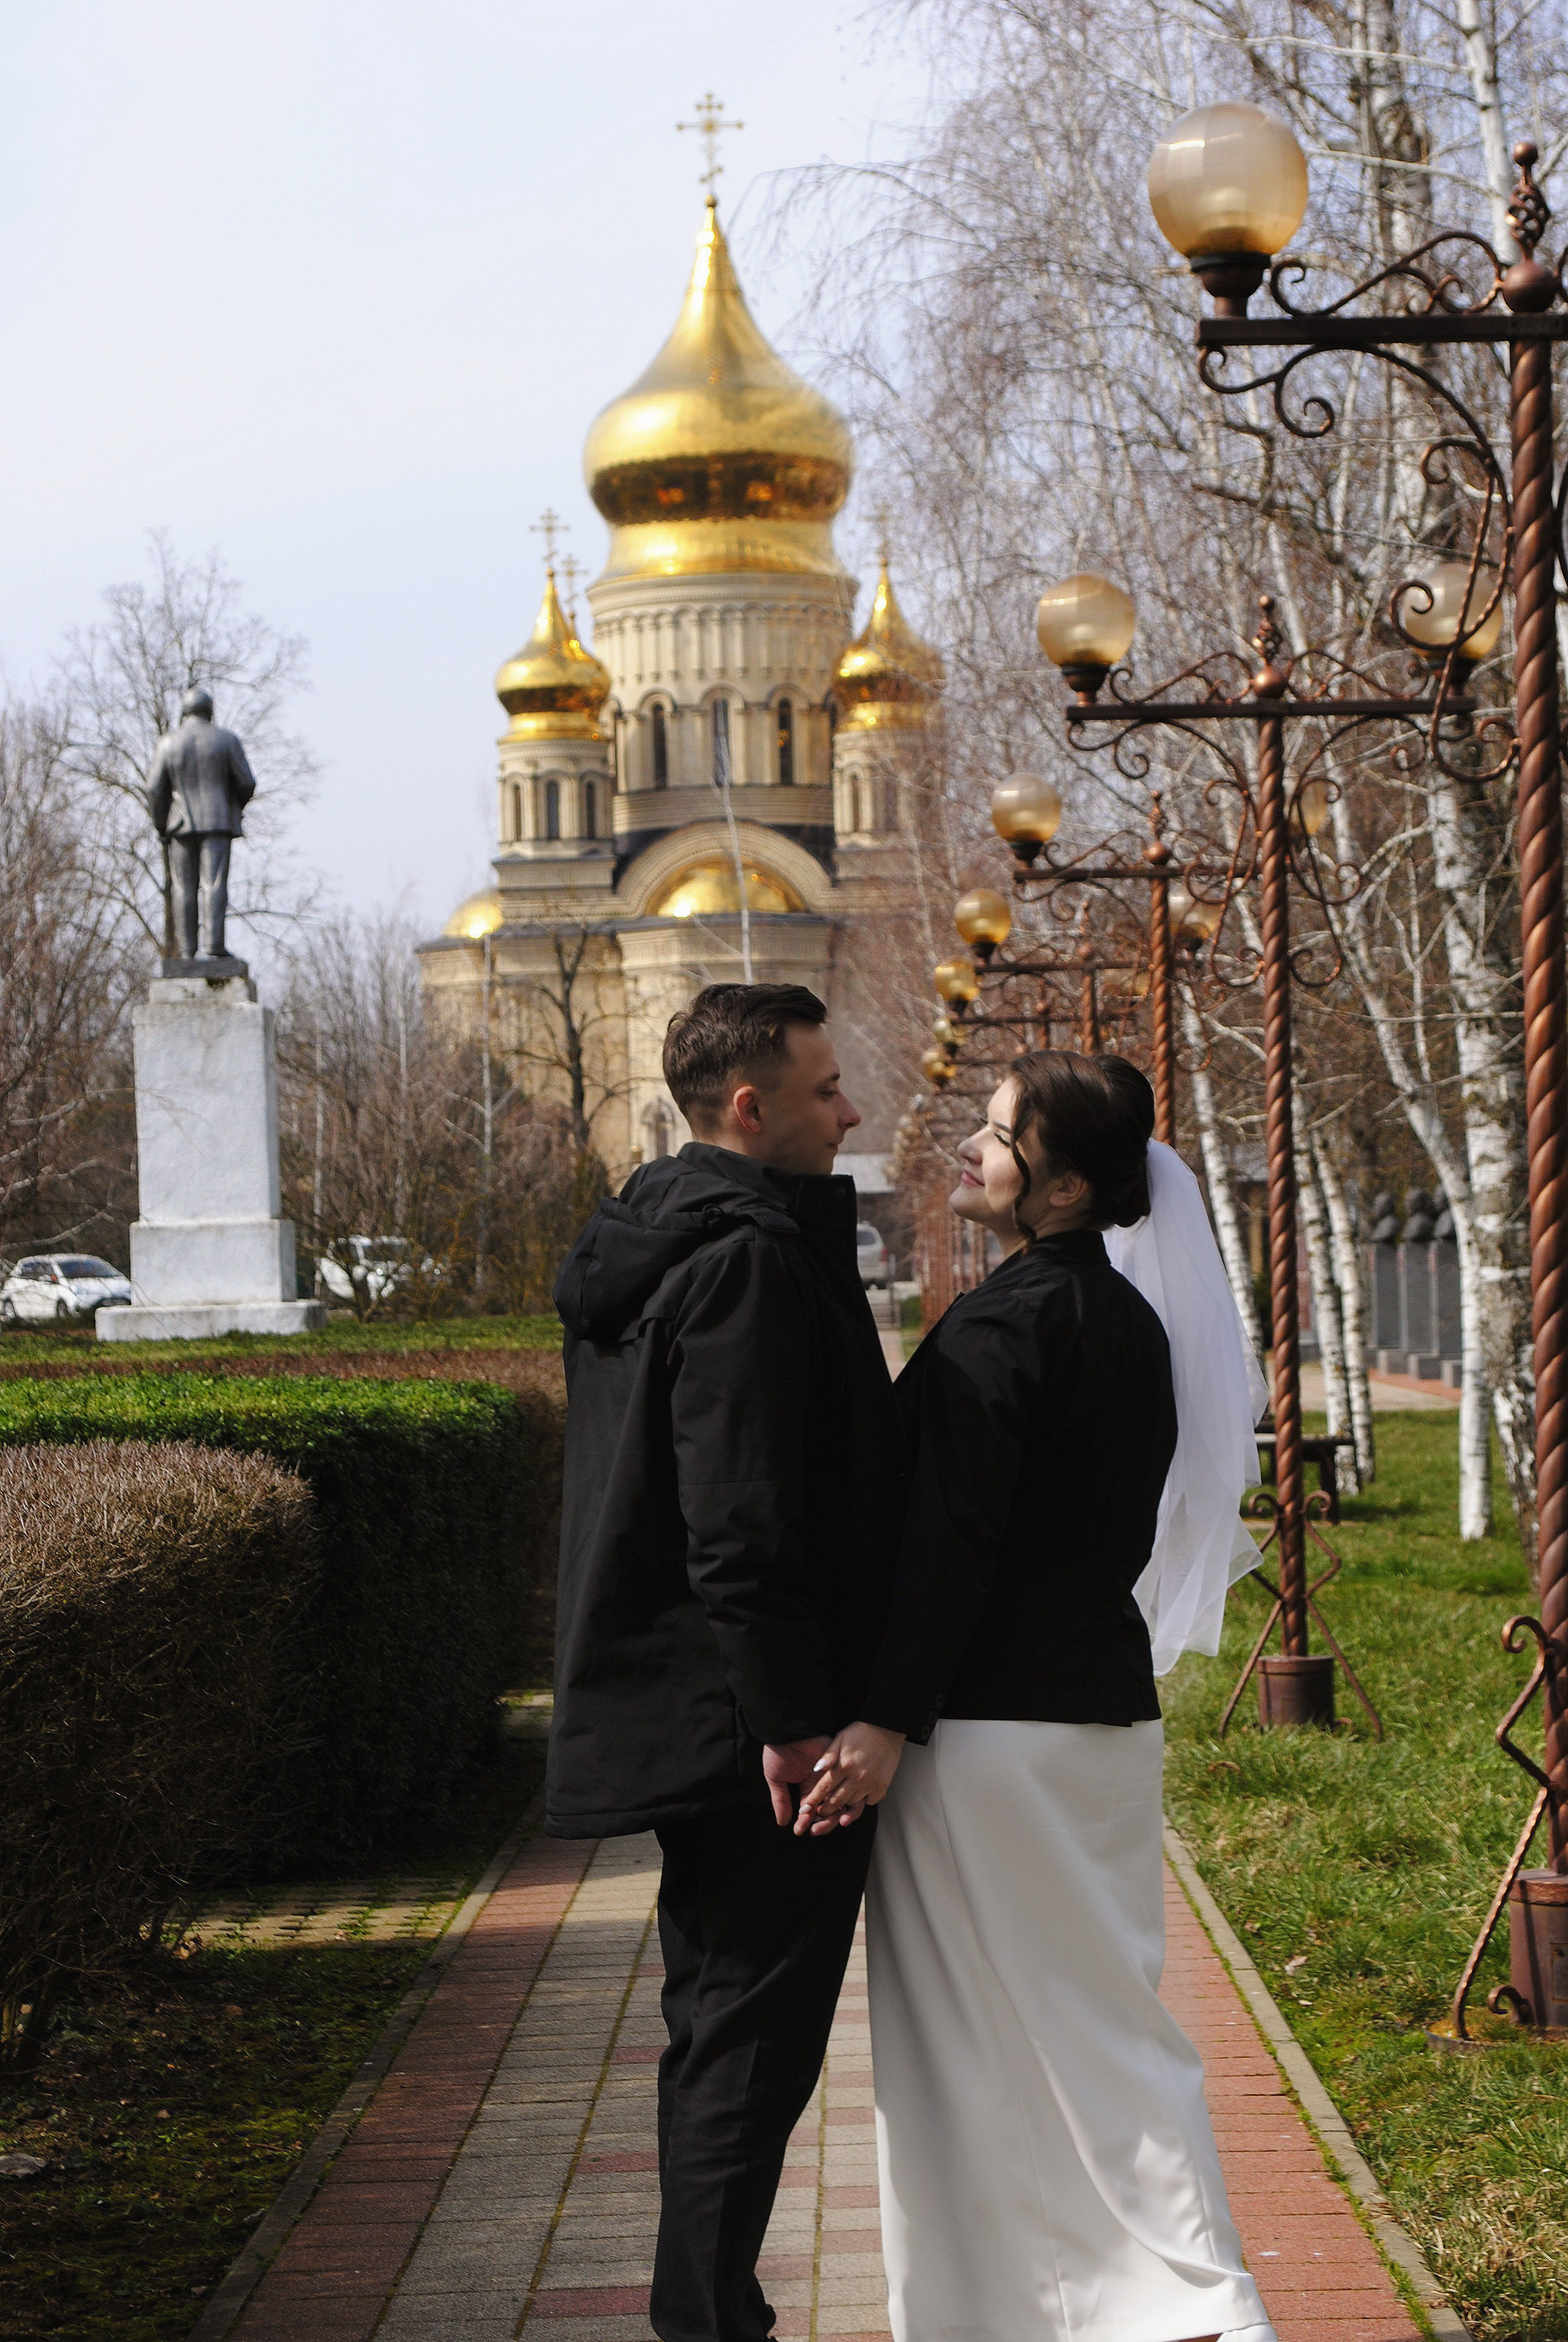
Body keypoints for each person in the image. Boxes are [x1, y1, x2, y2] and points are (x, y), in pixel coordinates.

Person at [799, 1050, 1275, 2342]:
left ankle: (1199, 2302)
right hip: (1093, 1724)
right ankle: (1042, 2310)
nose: (968, 1145)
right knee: (1075, 2019)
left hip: (985, 1736)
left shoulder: (1008, 1323)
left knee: (986, 2039)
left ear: (1059, 1184)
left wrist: (884, 1720)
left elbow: (951, 1540)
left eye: (996, 1133)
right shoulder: (1123, 1322)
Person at [548, 982, 903, 2342]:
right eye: (825, 1089)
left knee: (717, 2031)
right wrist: (793, 1722)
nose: (850, 1109)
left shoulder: (657, 1229)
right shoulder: (745, 1257)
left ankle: (709, 2307)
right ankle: (706, 2321)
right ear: (748, 1107)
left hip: (683, 1707)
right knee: (749, 2042)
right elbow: (739, 1518)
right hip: (746, 1729)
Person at [145, 687, 257, 963]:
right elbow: (247, 782)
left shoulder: (168, 744)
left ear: (184, 713)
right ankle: (214, 946)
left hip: (179, 823)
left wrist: (161, 824)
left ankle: (187, 952)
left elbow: (153, 789)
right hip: (218, 820)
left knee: (183, 887)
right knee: (214, 883)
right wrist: (232, 805)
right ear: (210, 711)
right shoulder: (227, 741)